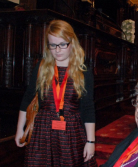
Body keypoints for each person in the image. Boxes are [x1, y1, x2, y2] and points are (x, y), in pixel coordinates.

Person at [15, 20, 97, 166]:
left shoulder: (83, 72)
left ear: (72, 42)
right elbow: (27, 99)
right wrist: (19, 129)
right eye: (52, 45)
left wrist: (90, 141)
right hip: (43, 131)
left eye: (62, 44)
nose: (57, 50)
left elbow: (88, 108)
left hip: (71, 131)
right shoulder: (41, 68)